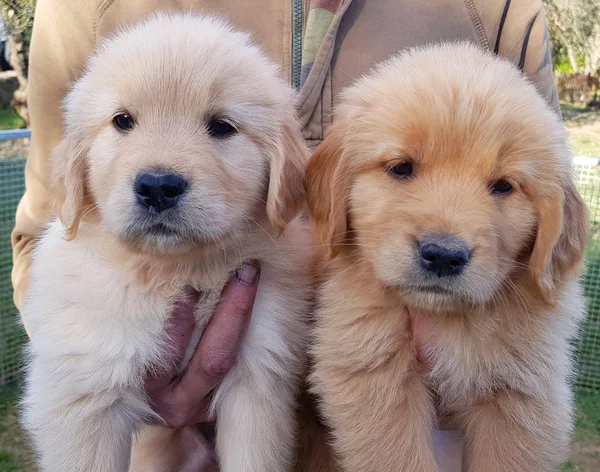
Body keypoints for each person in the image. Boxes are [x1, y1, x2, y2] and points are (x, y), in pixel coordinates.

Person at [11, 0, 559, 469]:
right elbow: (44, 228)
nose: (160, 171)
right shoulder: (85, 9)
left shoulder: (498, 8)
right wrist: (98, 363)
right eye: (124, 122)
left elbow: (541, 196)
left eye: (222, 126)